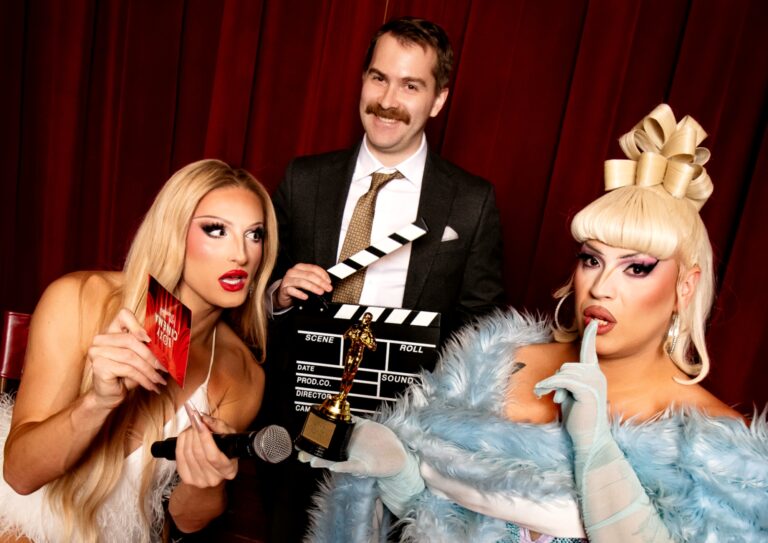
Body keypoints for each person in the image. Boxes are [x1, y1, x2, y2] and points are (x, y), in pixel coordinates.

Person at [300, 104, 768, 542]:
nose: (601, 287)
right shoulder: (494, 365)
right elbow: (438, 522)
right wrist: (397, 473)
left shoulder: (718, 448)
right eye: (591, 260)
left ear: (686, 287)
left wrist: (596, 449)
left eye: (637, 267)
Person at [261, 16, 505, 542]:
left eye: (410, 85)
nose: (388, 100)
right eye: (378, 78)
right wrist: (278, 294)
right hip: (299, 414)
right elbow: (253, 288)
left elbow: (480, 327)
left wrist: (436, 417)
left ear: (438, 99)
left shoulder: (470, 201)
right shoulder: (305, 180)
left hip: (404, 434)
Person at [0, 159, 278, 542]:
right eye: (216, 230)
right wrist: (97, 402)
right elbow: (19, 474)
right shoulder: (80, 299)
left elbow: (186, 522)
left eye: (254, 235)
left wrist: (207, 480)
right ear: (173, 231)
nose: (241, 255)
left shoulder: (243, 375)